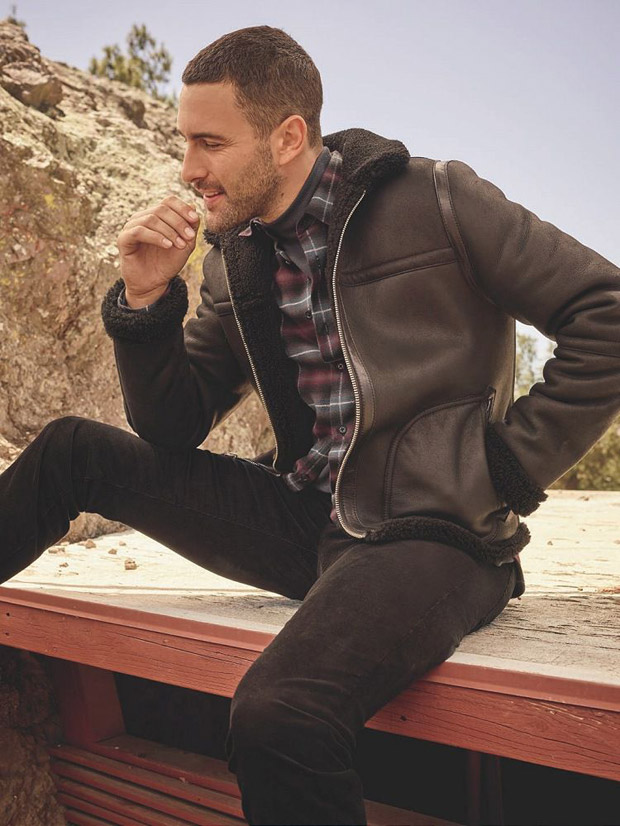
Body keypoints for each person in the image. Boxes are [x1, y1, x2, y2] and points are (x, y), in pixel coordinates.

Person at [2, 24, 619, 826]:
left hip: (434, 533)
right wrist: (147, 304)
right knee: (71, 451)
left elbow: (606, 311)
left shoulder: (437, 200)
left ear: (288, 137)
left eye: (210, 142)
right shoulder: (236, 257)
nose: (188, 168)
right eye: (186, 141)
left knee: (279, 715)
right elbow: (174, 426)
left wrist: (506, 470)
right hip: (307, 518)